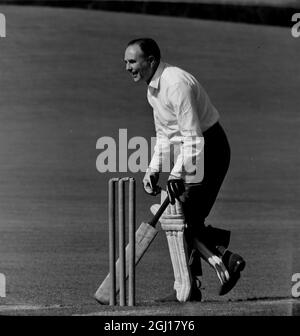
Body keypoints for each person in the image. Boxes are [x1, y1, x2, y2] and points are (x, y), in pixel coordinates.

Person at [124, 38, 245, 301]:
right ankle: (207, 274)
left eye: (132, 61)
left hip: (209, 148)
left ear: (151, 60)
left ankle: (213, 270)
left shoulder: (175, 83)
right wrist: (153, 170)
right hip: (194, 150)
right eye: (126, 62)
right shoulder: (153, 91)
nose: (127, 67)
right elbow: (165, 135)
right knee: (183, 219)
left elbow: (193, 137)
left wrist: (176, 174)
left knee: (182, 219)